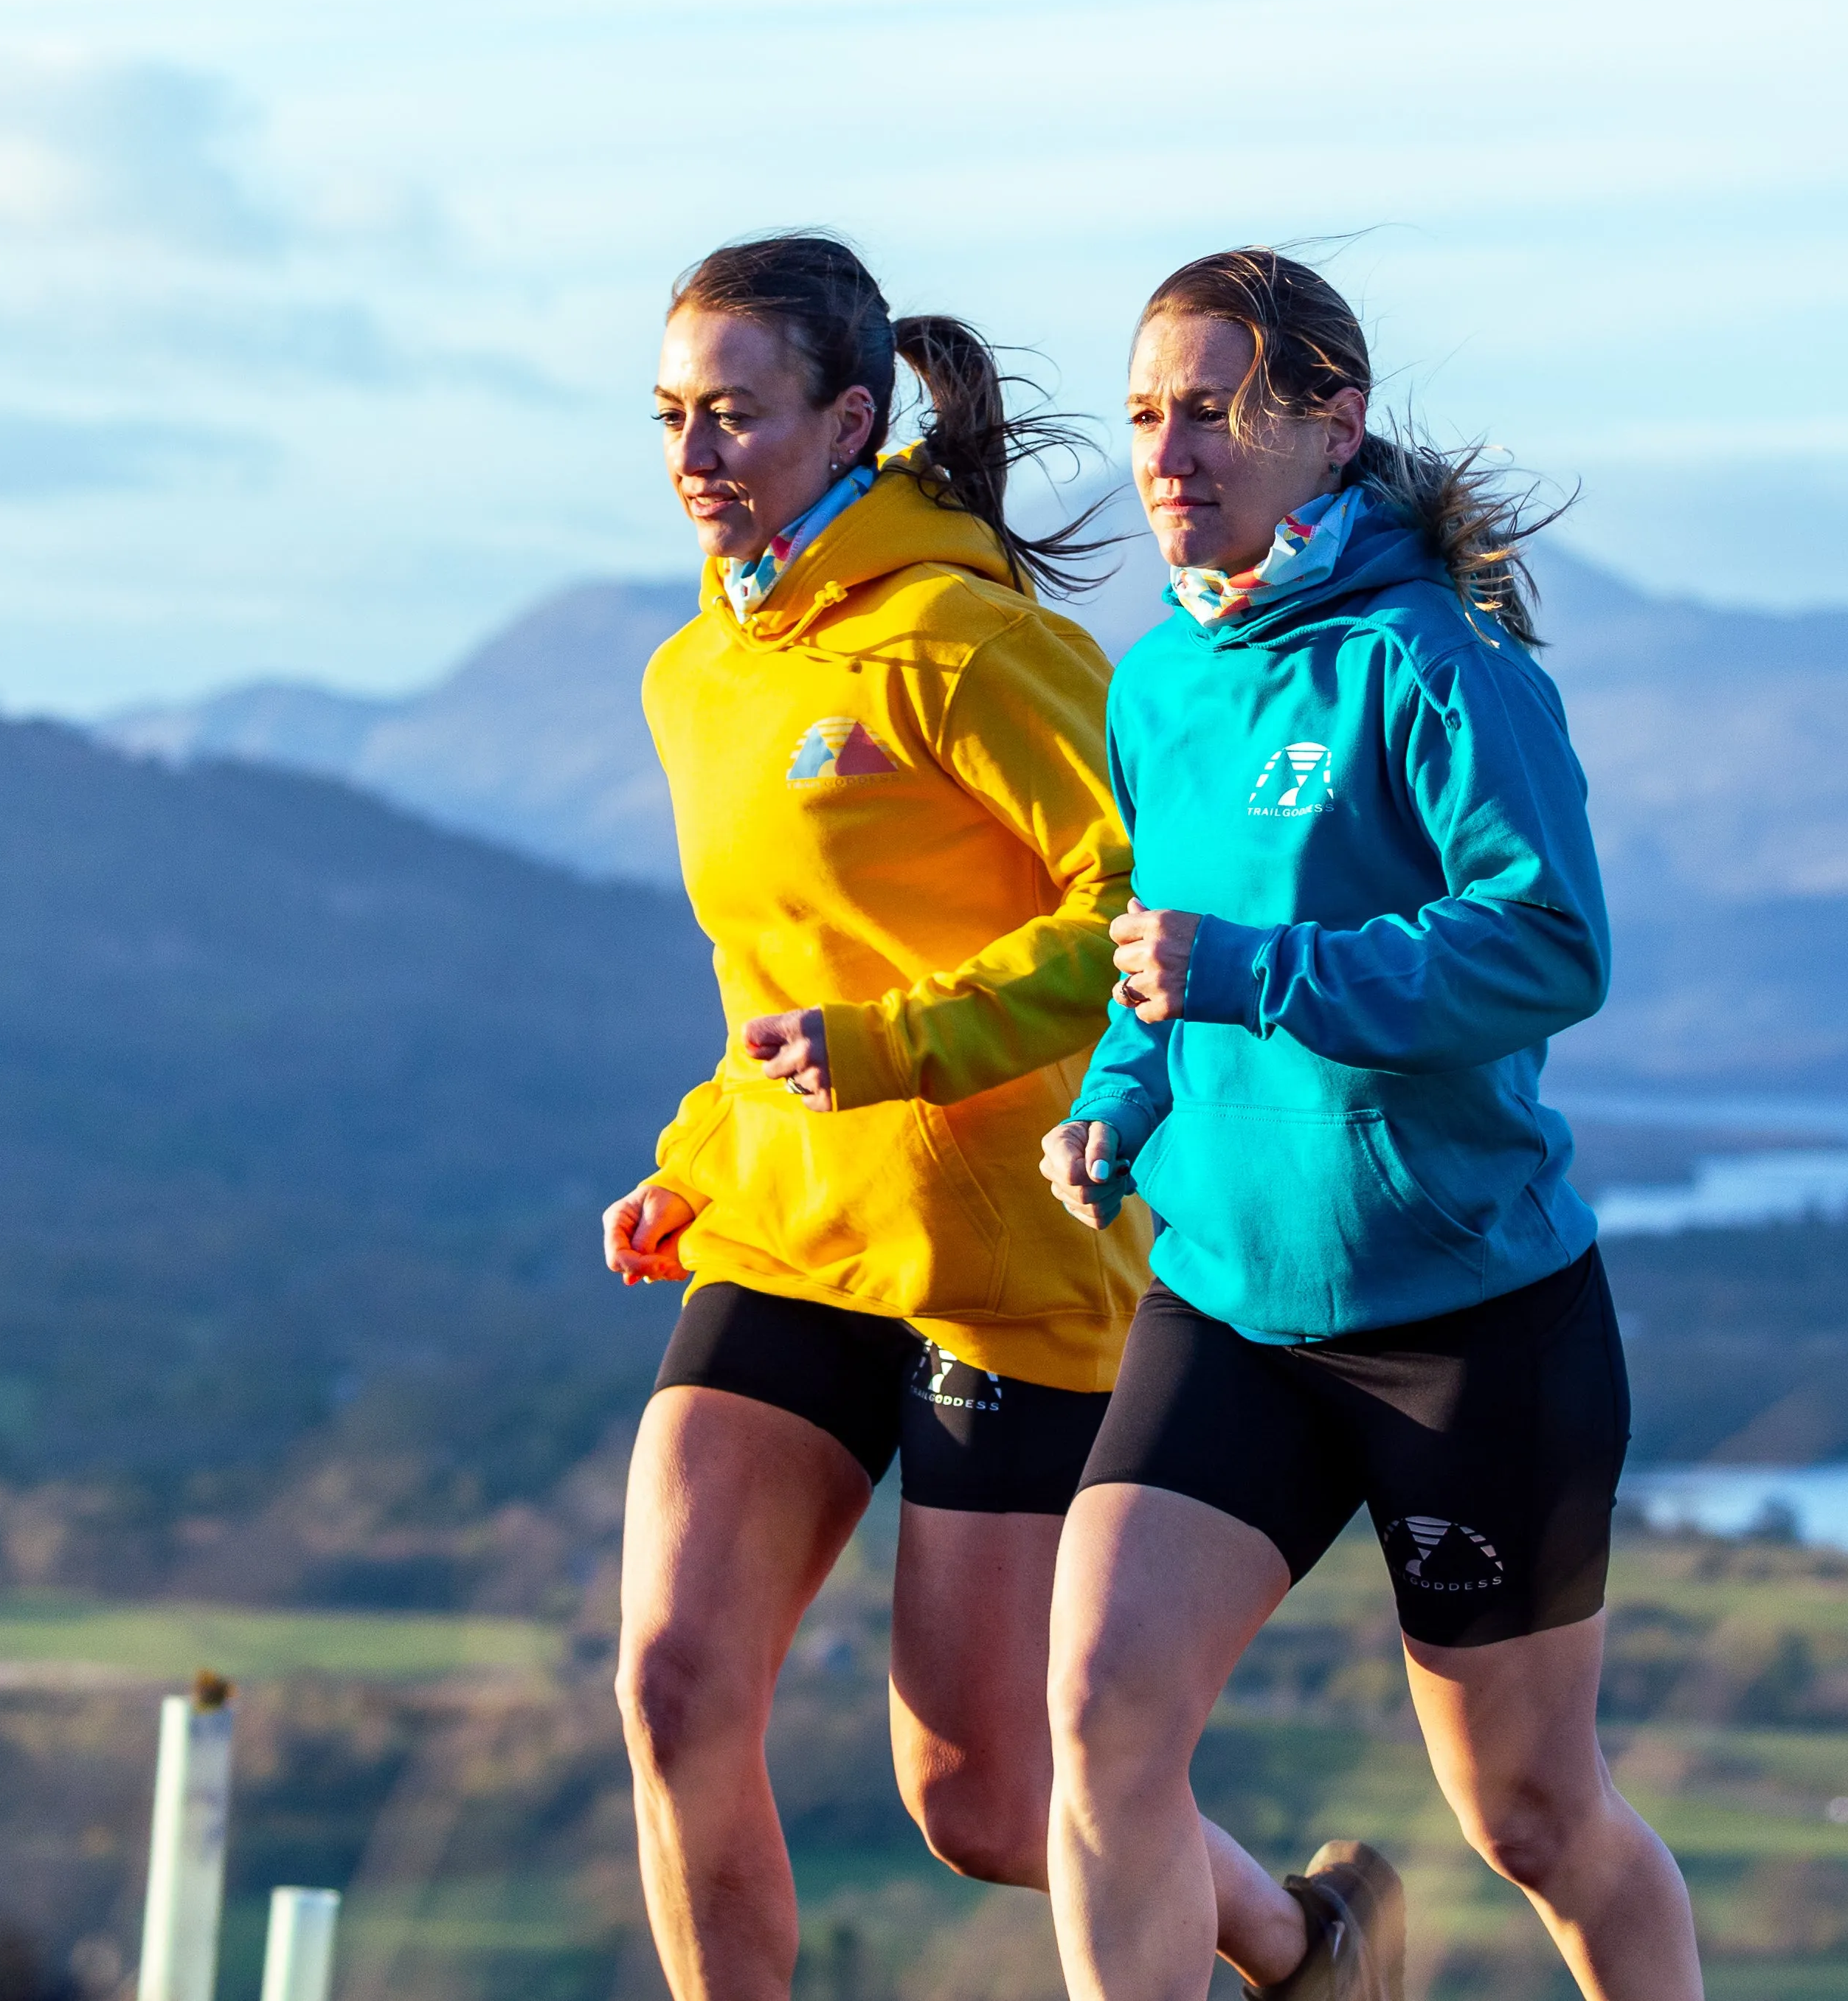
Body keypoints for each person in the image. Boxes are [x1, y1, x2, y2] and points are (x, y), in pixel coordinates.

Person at [603, 233, 1312, 2001]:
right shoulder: (696, 677)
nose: (699, 452)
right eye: (674, 415)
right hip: (793, 1229)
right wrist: (701, 1158)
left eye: (737, 414)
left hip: (1005, 1255)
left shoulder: (966, 641)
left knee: (988, 1798)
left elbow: (1142, 902)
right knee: (674, 1685)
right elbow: (774, 970)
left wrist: (909, 1044)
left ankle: (1310, 1939)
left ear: (850, 417)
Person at [1039, 247, 1703, 2001]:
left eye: (1214, 409)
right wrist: (1117, 1103)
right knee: (1100, 1711)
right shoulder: (1158, 685)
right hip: (1229, 1300)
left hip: (1466, 1322)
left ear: (1333, 424)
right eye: (1147, 416)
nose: (1168, 453)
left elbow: (1550, 944)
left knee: (1538, 1819)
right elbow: (1155, 959)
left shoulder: (1436, 664)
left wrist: (1257, 971)